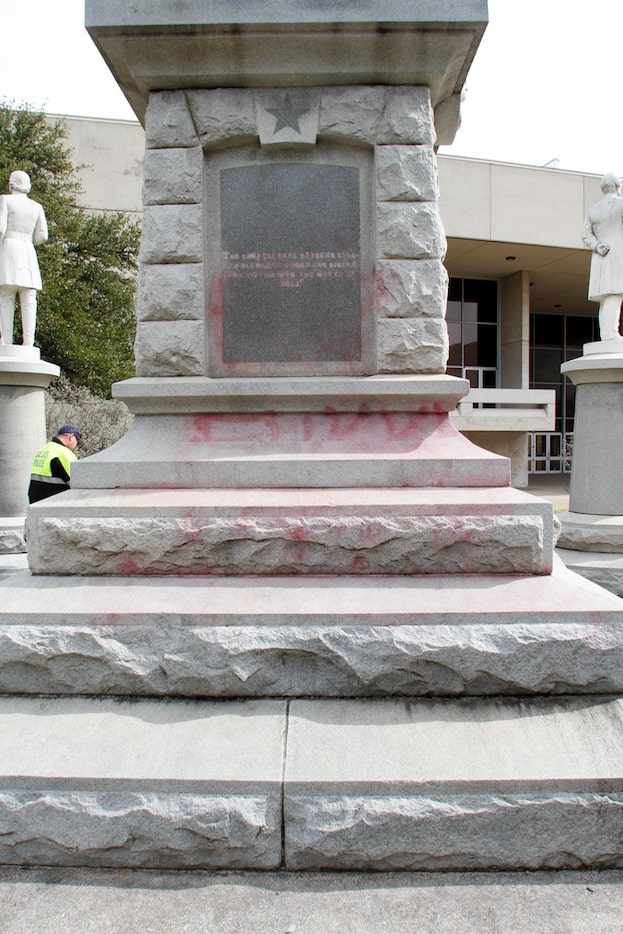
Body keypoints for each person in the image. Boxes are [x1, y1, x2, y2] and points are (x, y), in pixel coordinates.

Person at [0, 170, 48, 347]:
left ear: (12, 183)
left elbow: (0, 228)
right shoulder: (36, 207)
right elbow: (42, 236)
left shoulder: (5, 200)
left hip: (9, 248)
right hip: (28, 250)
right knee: (29, 299)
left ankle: (6, 343)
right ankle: (28, 343)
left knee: (6, 297)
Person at [581, 172, 623, 342]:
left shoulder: (593, 210)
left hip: (601, 255)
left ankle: (607, 333)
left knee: (607, 297)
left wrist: (598, 245)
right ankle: (611, 333)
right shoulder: (621, 204)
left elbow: (585, 235)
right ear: (618, 186)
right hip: (618, 253)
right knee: (615, 293)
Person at [28, 425, 81, 504]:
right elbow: (77, 481)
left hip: (36, 498)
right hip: (54, 500)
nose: (76, 444)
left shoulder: (45, 448)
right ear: (71, 437)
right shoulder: (64, 452)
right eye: (77, 440)